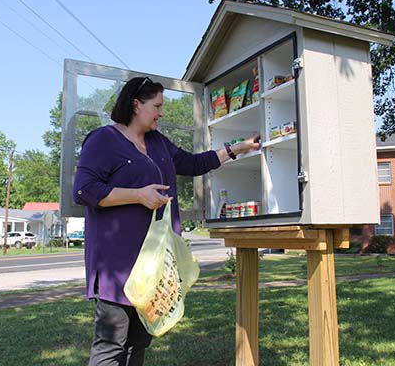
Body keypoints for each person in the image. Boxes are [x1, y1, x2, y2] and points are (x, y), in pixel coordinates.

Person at [73, 76, 260, 366]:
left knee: (139, 343)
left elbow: (194, 163)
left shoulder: (158, 143)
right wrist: (138, 195)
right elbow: (84, 190)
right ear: (136, 104)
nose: (161, 112)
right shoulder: (103, 140)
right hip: (117, 265)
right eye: (157, 105)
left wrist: (239, 148)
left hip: (153, 264)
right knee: (112, 345)